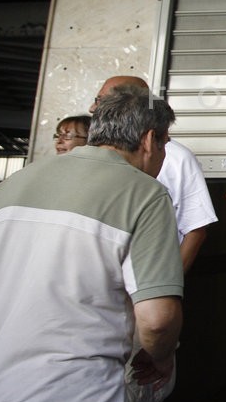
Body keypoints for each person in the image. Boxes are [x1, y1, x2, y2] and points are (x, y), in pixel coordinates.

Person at [0, 84, 183, 402]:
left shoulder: (12, 184)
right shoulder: (145, 194)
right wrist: (161, 358)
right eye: (165, 143)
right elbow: (157, 320)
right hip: (76, 395)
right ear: (150, 140)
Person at [92, 75, 217, 271]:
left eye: (101, 100)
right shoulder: (89, 155)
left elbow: (196, 229)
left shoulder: (176, 157)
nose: (92, 108)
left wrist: (170, 281)